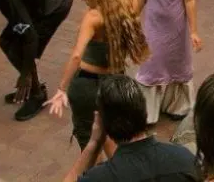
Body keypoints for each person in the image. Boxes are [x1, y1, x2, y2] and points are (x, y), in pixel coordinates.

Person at [46, 0, 147, 152]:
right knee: (112, 134)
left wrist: (61, 88)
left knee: (88, 140)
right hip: (116, 82)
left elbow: (76, 55)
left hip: (88, 85)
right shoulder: (128, 2)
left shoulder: (93, 17)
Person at [63, 75, 200, 182]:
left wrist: (94, 143)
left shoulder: (99, 177)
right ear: (145, 113)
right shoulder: (183, 159)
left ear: (104, 126)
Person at [135, 0, 201, 124]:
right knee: (150, 65)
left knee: (177, 64)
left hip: (177, 28)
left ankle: (178, 106)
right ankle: (147, 112)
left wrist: (193, 31)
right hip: (153, 25)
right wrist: (131, 15)